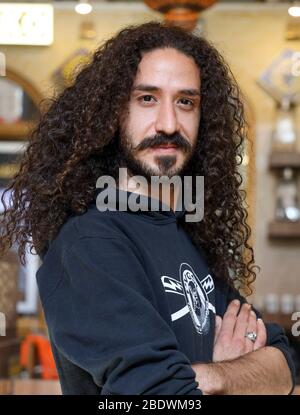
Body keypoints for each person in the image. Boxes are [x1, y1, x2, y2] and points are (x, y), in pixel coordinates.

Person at [0, 22, 295, 395]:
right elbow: (159, 398)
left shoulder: (186, 231)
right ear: (113, 113)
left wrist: (214, 378)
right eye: (147, 98)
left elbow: (286, 361)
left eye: (185, 102)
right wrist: (232, 373)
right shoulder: (88, 244)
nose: (169, 124)